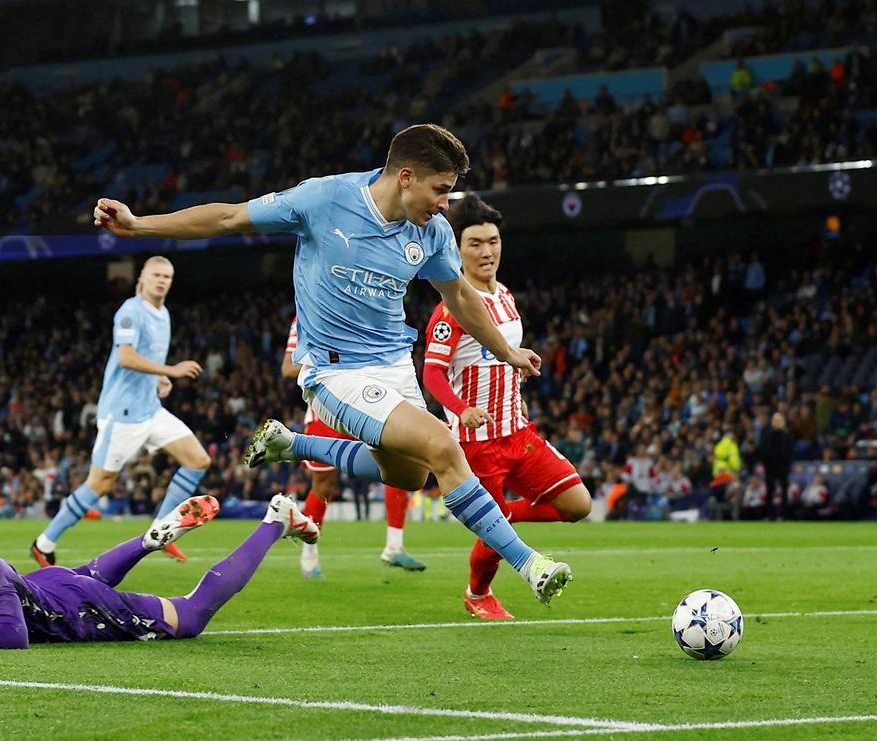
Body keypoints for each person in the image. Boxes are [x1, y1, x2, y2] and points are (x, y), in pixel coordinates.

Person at [92, 123, 572, 606]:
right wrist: (138, 224)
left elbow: (461, 296)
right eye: (440, 190)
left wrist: (506, 351)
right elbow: (227, 218)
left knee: (411, 477)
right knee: (444, 447)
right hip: (334, 372)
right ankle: (530, 565)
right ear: (406, 176)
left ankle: (293, 442)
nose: (445, 203)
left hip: (394, 365)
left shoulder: (432, 233)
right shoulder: (324, 200)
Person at [0, 484, 319, 650]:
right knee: (83, 573)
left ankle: (276, 519)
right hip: (44, 585)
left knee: (192, 616)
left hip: (74, 610)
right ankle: (150, 538)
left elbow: (11, 636)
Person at [421, 195, 591, 620]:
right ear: (456, 250)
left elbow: (502, 355)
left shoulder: (507, 296)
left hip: (518, 431)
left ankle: (498, 519)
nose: (487, 251)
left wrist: (521, 364)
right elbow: (433, 375)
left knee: (578, 505)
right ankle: (478, 594)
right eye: (475, 243)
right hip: (477, 444)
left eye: (493, 241)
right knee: (494, 532)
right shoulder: (450, 308)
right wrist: (461, 409)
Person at [29, 256, 210, 566]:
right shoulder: (129, 312)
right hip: (122, 415)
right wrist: (172, 370)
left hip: (150, 410)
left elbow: (146, 357)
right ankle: (43, 544)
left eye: (167, 276)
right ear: (142, 277)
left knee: (198, 460)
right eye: (156, 275)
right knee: (100, 484)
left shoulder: (163, 313)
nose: (161, 280)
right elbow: (126, 357)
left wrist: (161, 378)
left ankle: (161, 530)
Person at [281, 316, 424, 577]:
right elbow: (288, 368)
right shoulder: (306, 314)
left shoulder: (361, 304)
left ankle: (394, 545)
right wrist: (333, 357)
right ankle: (309, 557)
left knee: (400, 463)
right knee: (324, 485)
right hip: (328, 409)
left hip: (368, 401)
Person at [758, 411, 794, 520]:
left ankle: (784, 515)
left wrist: (788, 465)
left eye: (780, 420)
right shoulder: (766, 434)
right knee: (770, 490)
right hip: (770, 467)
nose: (777, 422)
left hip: (783, 467)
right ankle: (770, 515)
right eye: (775, 420)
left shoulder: (787, 435)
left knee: (784, 490)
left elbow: (790, 451)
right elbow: (763, 450)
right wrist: (766, 464)